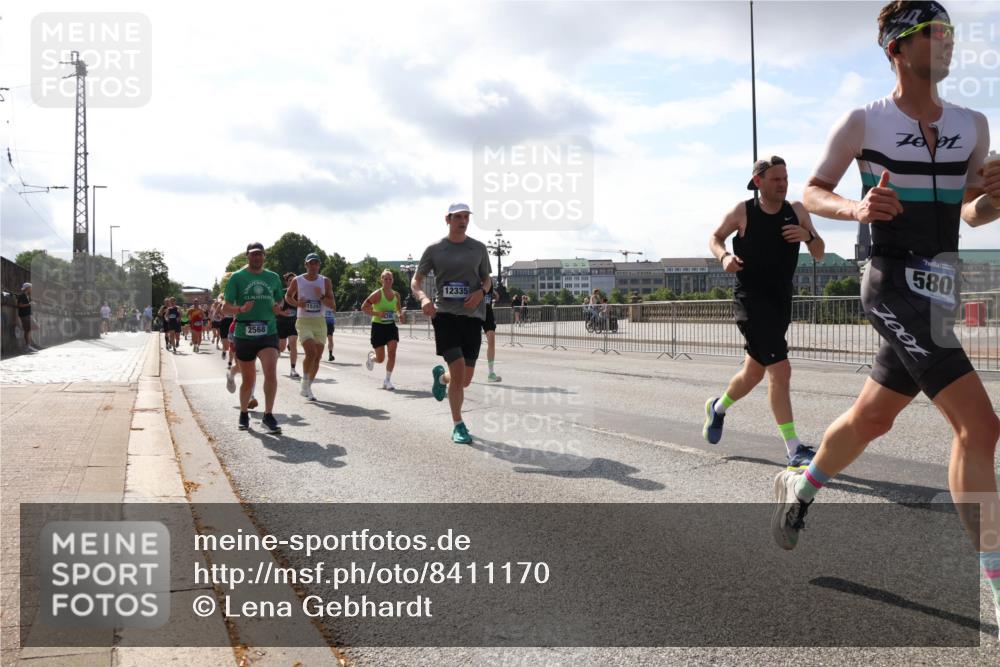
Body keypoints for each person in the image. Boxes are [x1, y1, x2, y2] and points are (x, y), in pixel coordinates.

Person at [771, 1, 1000, 628]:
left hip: (939, 294)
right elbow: (812, 191)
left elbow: (972, 211)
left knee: (872, 420)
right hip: (890, 282)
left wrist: (994, 201)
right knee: (980, 428)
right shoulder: (864, 121)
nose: (949, 43)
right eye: (937, 33)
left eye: (953, 33)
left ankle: (802, 484)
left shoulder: (973, 124)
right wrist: (858, 208)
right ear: (900, 47)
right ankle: (997, 581)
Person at [705, 155, 825, 469]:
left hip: (780, 302)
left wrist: (809, 237)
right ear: (758, 182)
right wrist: (724, 257)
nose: (782, 184)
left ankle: (718, 408)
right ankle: (793, 448)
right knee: (781, 371)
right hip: (750, 301)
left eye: (785, 178)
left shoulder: (796, 211)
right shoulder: (743, 212)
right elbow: (715, 238)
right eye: (775, 179)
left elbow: (820, 252)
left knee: (754, 373)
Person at [412, 202, 492, 444]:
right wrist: (424, 298)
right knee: (458, 372)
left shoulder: (477, 248)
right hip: (445, 316)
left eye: (466, 216)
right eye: (458, 216)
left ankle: (441, 378)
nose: (463, 220)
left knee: (464, 380)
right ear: (447, 219)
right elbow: (416, 281)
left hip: (472, 317)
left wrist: (481, 293)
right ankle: (458, 424)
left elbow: (487, 279)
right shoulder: (435, 249)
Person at [222, 242, 285, 433]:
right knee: (248, 379)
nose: (256, 257)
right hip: (244, 332)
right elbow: (225, 307)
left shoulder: (273, 277)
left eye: (260, 254)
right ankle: (243, 413)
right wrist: (240, 309)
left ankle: (268, 414)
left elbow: (279, 299)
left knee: (270, 373)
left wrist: (278, 306)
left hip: (268, 331)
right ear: (247, 256)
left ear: (264, 256)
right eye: (253, 254)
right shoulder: (237, 278)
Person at [285, 253, 335, 401]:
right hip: (304, 321)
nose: (313, 266)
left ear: (319, 265)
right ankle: (305, 381)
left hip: (320, 321)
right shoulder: (297, 280)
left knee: (318, 357)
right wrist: (297, 303)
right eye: (310, 263)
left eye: (316, 263)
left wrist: (321, 296)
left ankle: (308, 386)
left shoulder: (325, 281)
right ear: (306, 265)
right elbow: (288, 296)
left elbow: (331, 303)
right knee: (311, 352)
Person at [362, 270, 406, 390]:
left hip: (390, 326)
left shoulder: (396, 295)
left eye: (390, 279)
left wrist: (400, 315)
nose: (388, 281)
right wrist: (377, 313)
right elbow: (364, 307)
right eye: (385, 279)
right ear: (381, 280)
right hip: (378, 327)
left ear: (393, 280)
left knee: (392, 353)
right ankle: (372, 358)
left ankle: (387, 380)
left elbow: (398, 309)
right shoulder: (377, 294)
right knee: (380, 359)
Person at [276, 272, 301, 379]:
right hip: (281, 323)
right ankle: (272, 361)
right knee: (281, 348)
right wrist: (282, 313)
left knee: (293, 345)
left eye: (294, 280)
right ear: (286, 282)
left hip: (293, 324)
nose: (293, 282)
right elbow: (275, 310)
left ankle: (293, 369)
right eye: (290, 280)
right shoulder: (281, 294)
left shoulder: (300, 294)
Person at [482, 283, 501, 382]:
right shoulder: (473, 273)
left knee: (492, 342)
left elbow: (488, 286)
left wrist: (494, 292)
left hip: (488, 312)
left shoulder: (488, 279)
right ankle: (463, 369)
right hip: (474, 311)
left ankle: (491, 373)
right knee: (469, 343)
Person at [16, 283, 35, 352]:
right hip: (24, 315)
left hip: (28, 315)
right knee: (27, 330)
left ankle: (29, 345)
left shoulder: (27, 296)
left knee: (30, 329)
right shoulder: (22, 296)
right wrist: (29, 304)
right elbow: (20, 305)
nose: (31, 289)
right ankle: (28, 346)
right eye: (30, 287)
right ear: (27, 288)